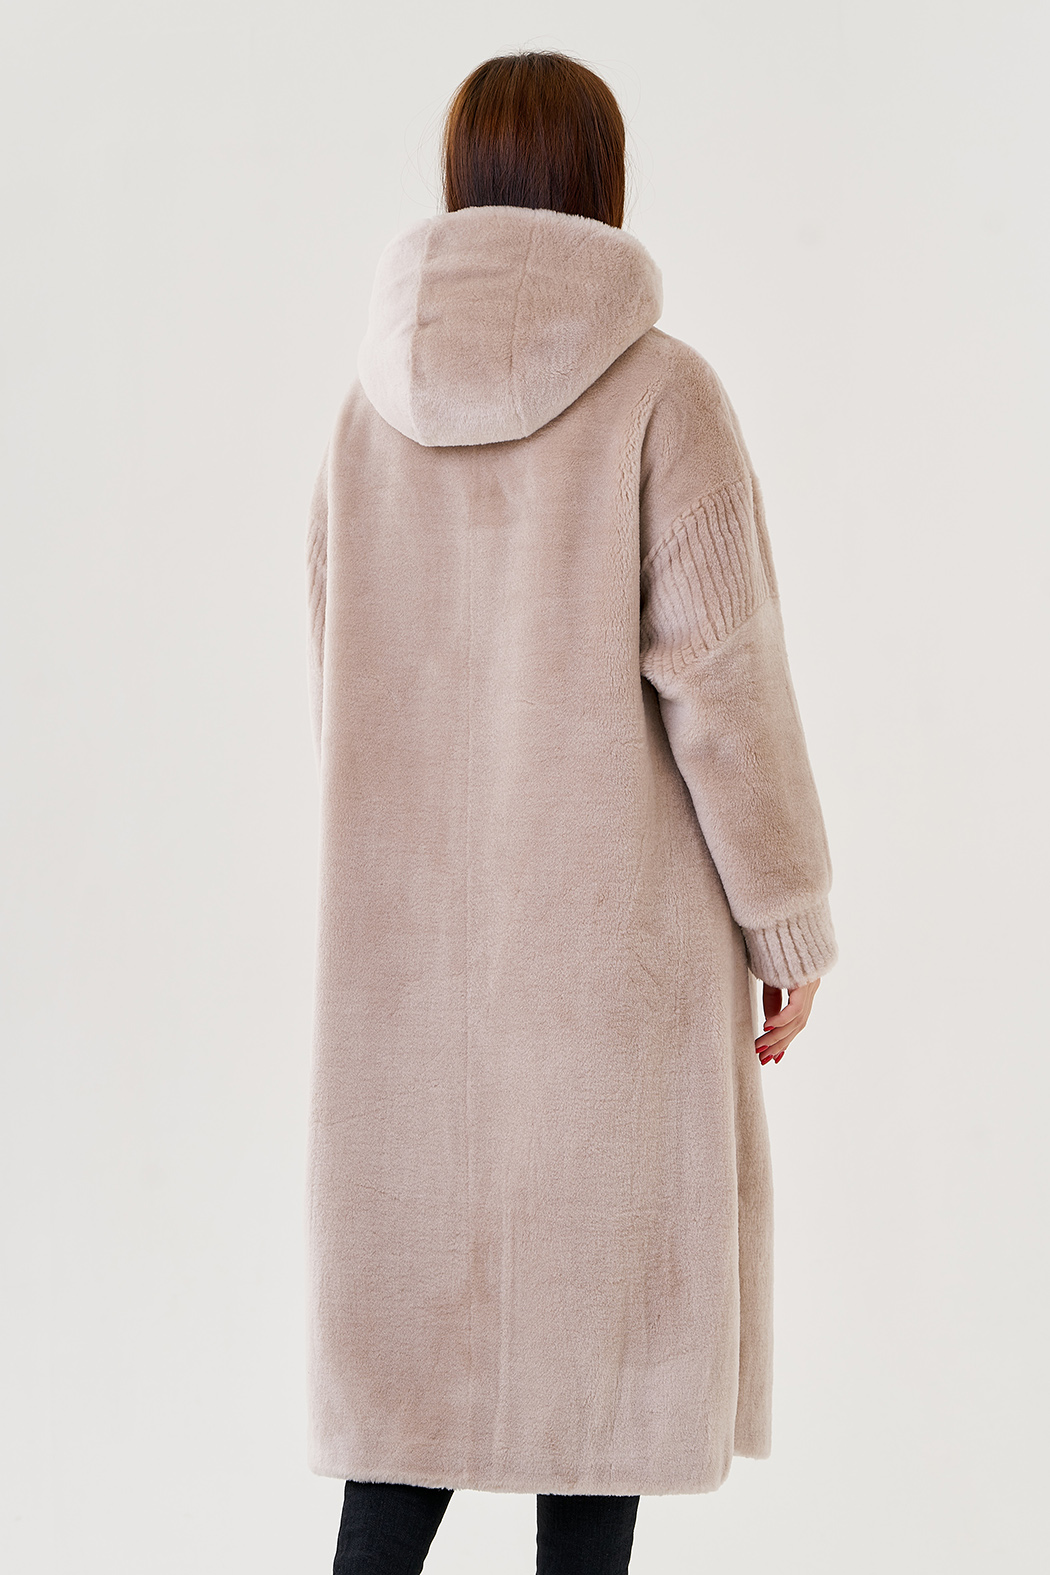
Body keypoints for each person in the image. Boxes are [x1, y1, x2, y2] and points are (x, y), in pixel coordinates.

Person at [305, 49, 838, 1575]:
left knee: (404, 1413)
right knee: (596, 1417)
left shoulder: (363, 419)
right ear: (602, 183)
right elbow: (725, 687)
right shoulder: (661, 393)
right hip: (611, 973)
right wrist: (787, 921)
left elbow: (337, 688)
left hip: (408, 983)